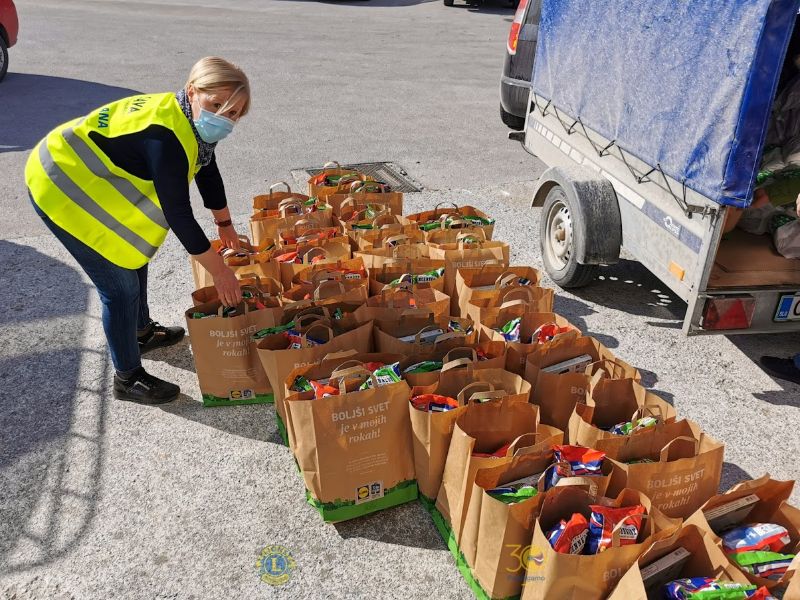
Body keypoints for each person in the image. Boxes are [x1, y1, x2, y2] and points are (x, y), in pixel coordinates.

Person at [25, 56, 249, 404]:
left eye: (233, 113)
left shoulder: (189, 122)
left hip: (94, 179)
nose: (223, 117)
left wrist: (225, 226)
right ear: (193, 91)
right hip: (60, 184)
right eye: (216, 105)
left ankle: (141, 332)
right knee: (119, 288)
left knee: (131, 250)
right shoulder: (167, 136)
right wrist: (220, 273)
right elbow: (179, 215)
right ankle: (127, 378)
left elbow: (206, 169)